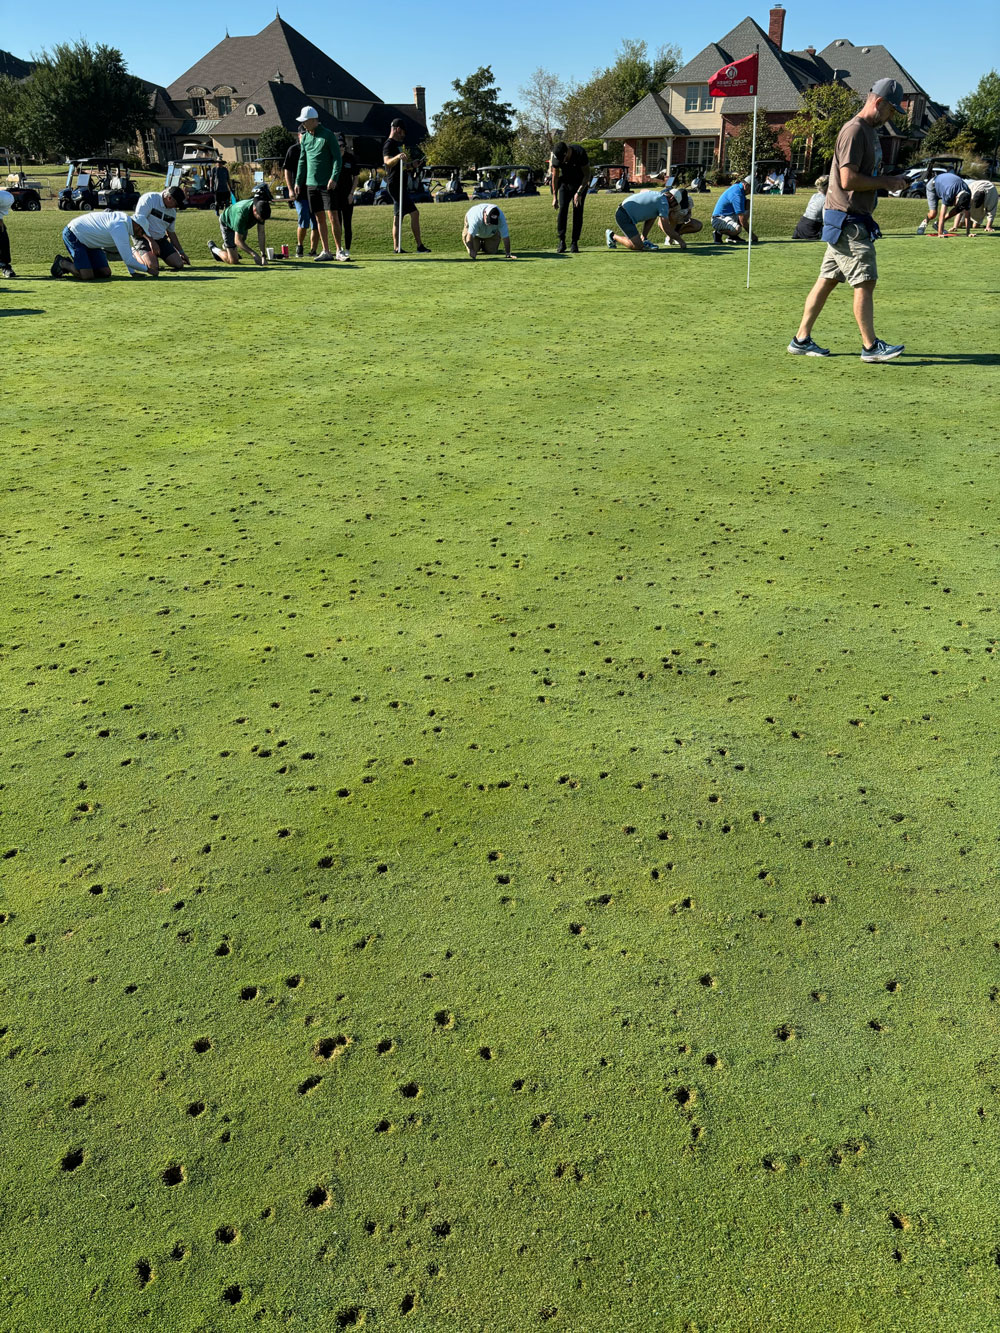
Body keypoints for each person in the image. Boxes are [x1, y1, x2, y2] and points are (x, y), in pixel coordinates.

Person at [787, 78, 909, 362]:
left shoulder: (867, 131)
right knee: (865, 281)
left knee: (827, 280)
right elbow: (848, 179)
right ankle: (870, 347)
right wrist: (887, 182)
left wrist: (887, 180)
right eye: (891, 111)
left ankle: (801, 339)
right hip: (849, 221)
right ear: (878, 103)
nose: (891, 118)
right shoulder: (855, 130)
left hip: (844, 217)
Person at [295, 106, 342, 262]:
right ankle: (326, 251)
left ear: (313, 120)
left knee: (333, 216)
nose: (303, 125)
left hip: (327, 183)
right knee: (319, 218)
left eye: (305, 121)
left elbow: (337, 158)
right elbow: (302, 161)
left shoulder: (328, 135)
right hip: (311, 184)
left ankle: (339, 251)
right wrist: (298, 182)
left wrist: (334, 177)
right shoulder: (305, 137)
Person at [51, 211, 153, 280]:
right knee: (86, 275)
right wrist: (148, 270)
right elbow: (128, 260)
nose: (141, 234)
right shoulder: (120, 226)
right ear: (137, 225)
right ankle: (63, 263)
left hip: (90, 242)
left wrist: (133, 273)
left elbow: (125, 253)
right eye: (142, 231)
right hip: (74, 234)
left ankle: (82, 266)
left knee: (105, 273)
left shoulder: (124, 225)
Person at [383, 118, 430, 253]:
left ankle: (397, 247)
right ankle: (419, 246)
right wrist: (398, 157)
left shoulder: (396, 144)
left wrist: (410, 165)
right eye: (402, 131)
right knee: (415, 213)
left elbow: (399, 166)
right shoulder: (389, 144)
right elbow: (387, 162)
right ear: (397, 129)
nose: (403, 134)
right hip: (395, 185)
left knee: (398, 216)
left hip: (399, 184)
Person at [606, 185, 691, 251]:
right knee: (637, 246)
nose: (672, 207)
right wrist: (680, 241)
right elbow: (666, 227)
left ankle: (644, 238)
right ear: (672, 198)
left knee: (654, 213)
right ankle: (612, 236)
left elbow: (643, 192)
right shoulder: (663, 203)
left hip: (624, 211)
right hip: (624, 215)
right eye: (674, 204)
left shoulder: (659, 195)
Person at [133, 185, 190, 275]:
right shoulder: (149, 199)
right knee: (153, 266)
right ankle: (135, 253)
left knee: (179, 264)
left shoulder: (173, 212)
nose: (176, 207)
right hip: (142, 237)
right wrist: (151, 241)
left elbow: (171, 233)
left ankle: (154, 255)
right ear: (169, 198)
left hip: (160, 239)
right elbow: (138, 224)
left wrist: (181, 252)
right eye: (176, 204)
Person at [284, 126, 318, 258]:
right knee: (303, 217)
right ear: (299, 135)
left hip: (313, 190)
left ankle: (313, 250)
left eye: (308, 134)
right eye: (303, 134)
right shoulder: (293, 150)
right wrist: (290, 190)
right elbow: (286, 170)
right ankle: (300, 245)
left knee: (316, 221)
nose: (305, 136)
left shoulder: (313, 148)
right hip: (299, 192)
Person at [549, 140, 589, 253]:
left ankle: (574, 242)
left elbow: (587, 175)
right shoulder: (557, 157)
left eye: (564, 158)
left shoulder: (580, 153)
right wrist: (554, 197)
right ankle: (561, 241)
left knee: (578, 211)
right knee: (562, 209)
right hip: (565, 184)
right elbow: (555, 177)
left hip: (580, 183)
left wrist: (579, 193)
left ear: (567, 152)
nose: (563, 161)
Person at [207, 196, 271, 265]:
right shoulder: (241, 214)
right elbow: (237, 241)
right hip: (227, 223)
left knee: (241, 241)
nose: (261, 221)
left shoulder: (261, 208)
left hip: (242, 224)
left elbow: (261, 233)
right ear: (255, 210)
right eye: (260, 218)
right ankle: (214, 249)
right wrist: (254, 254)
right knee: (233, 260)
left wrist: (263, 256)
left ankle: (228, 247)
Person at [917, 169, 971, 235]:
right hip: (933, 186)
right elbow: (942, 214)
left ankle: (937, 224)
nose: (955, 204)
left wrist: (968, 233)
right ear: (956, 197)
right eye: (956, 203)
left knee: (959, 209)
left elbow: (967, 214)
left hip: (945, 186)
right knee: (932, 214)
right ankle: (925, 222)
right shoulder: (949, 193)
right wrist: (940, 234)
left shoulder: (967, 193)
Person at [330, 133, 358, 261]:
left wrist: (352, 193)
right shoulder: (332, 158)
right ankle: (338, 249)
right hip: (334, 195)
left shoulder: (350, 158)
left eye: (342, 145)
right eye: (338, 145)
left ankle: (347, 249)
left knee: (347, 224)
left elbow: (356, 177)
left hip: (347, 196)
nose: (341, 147)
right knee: (337, 223)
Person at [711, 176, 759, 245]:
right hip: (719, 219)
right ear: (746, 185)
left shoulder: (738, 188)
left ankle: (732, 236)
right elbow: (742, 219)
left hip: (729, 216)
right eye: (750, 190)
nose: (749, 193)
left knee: (747, 203)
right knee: (737, 229)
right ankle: (718, 233)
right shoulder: (737, 195)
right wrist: (752, 235)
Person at [791, 175, 829, 240]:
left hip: (800, 227)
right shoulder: (826, 200)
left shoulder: (814, 196)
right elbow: (826, 220)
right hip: (812, 229)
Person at [0, 188, 16, 279]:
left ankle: (4, 265)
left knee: (1, 230)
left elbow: (9, 197)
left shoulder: (5, 197)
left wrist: (0, 216)